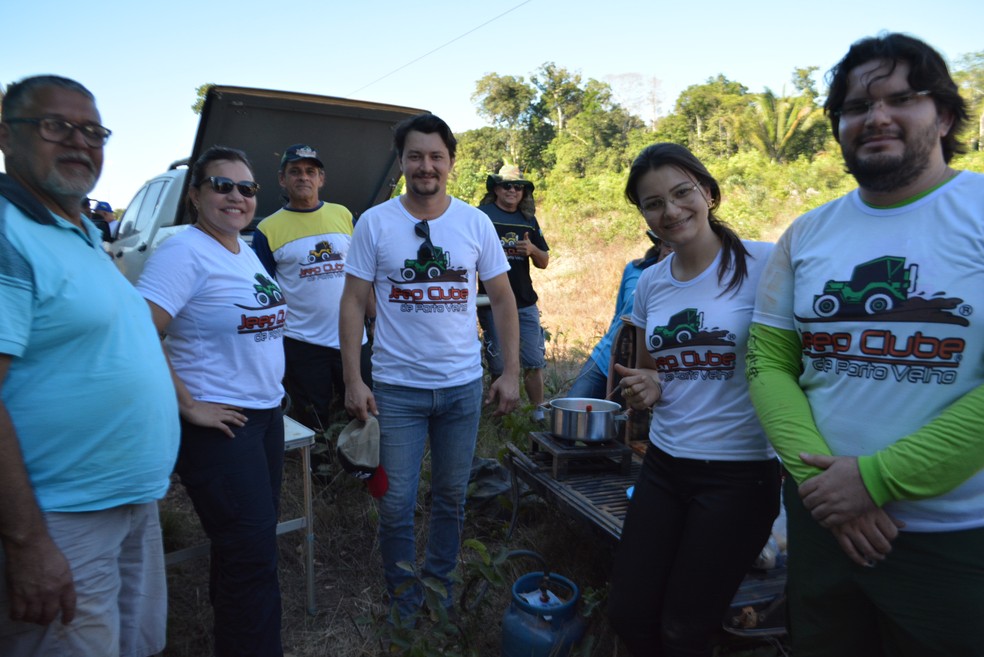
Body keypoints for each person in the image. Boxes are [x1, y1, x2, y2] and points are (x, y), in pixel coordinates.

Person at [747, 33, 983, 656]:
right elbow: (769, 361)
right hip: (822, 527)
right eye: (856, 107)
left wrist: (875, 480)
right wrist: (826, 491)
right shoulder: (808, 232)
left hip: (952, 540)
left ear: (946, 115)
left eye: (901, 98)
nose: (876, 116)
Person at [0, 75, 179, 656]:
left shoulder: (77, 228)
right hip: (60, 517)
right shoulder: (7, 233)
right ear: (6, 135)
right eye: (56, 126)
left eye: (93, 130)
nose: (80, 142)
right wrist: (25, 542)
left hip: (127, 500)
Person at [339, 113, 520, 622]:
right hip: (396, 389)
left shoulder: (474, 222)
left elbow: (503, 299)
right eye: (415, 156)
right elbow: (353, 303)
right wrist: (354, 378)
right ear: (401, 162)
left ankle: (438, 585)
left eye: (436, 156)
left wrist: (508, 372)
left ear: (450, 163)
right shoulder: (375, 222)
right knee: (395, 504)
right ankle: (403, 595)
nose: (426, 166)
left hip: (462, 387)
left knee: (450, 497)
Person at [606, 143, 780, 657]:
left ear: (707, 192)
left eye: (682, 193)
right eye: (653, 203)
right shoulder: (652, 283)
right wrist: (649, 387)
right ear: (643, 214)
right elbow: (651, 373)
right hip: (664, 465)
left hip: (739, 475)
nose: (671, 210)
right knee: (629, 613)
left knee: (686, 628)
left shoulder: (765, 263)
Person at [137, 146, 287, 657]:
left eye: (246, 188)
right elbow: (139, 334)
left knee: (244, 550)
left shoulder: (242, 249)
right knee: (253, 558)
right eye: (222, 185)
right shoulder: (183, 253)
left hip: (263, 417)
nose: (236, 196)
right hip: (220, 429)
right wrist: (188, 404)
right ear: (196, 194)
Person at [253, 144, 372, 429]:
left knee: (367, 414)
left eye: (310, 171)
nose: (303, 177)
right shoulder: (267, 230)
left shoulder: (344, 215)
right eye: (295, 172)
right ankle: (319, 474)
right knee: (314, 422)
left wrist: (375, 320)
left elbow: (364, 273)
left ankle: (363, 472)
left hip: (354, 339)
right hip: (302, 343)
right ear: (283, 179)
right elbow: (264, 292)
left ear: (321, 179)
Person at [475, 165, 549, 418]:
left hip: (524, 301)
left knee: (533, 360)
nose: (513, 190)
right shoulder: (481, 217)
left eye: (519, 187)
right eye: (507, 185)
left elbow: (544, 261)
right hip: (491, 302)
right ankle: (501, 415)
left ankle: (539, 413)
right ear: (495, 188)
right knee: (498, 363)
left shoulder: (528, 220)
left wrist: (532, 250)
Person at [567, 233, 671, 400]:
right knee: (574, 407)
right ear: (659, 244)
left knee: (622, 420)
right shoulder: (634, 269)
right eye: (667, 244)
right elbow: (619, 314)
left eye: (676, 246)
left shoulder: (683, 283)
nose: (671, 250)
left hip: (645, 368)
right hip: (604, 358)